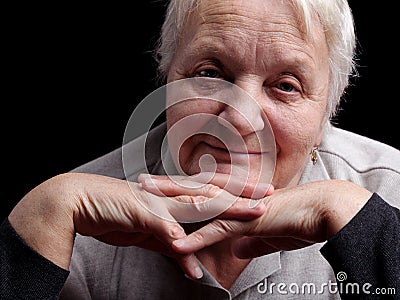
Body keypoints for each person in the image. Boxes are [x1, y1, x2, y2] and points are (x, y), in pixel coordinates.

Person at [1, 0, 399, 299]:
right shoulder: (76, 224)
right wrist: (41, 221)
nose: (240, 119)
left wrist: (364, 229)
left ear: (328, 107)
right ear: (167, 73)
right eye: (210, 74)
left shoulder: (390, 194)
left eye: (285, 85)